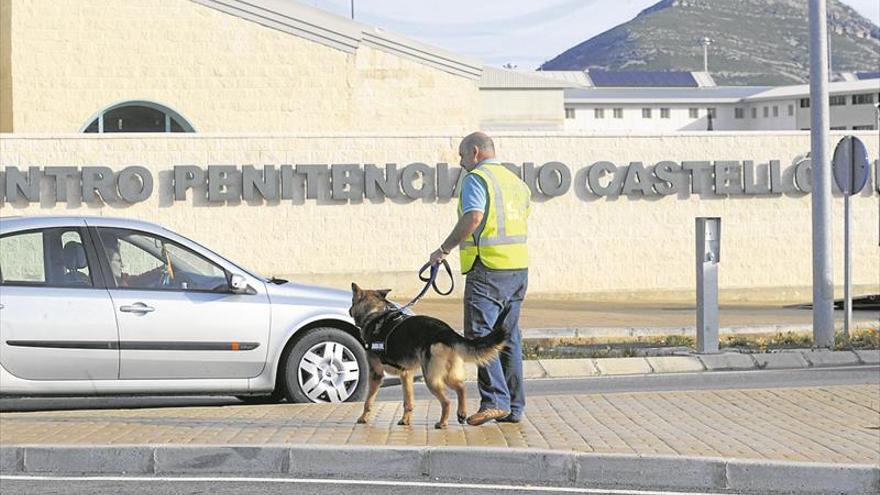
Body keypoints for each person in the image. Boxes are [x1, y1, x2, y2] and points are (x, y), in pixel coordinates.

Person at [429, 131, 531, 426]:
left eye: (462, 156)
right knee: (507, 338)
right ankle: (513, 407)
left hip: (487, 269)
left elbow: (473, 217)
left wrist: (443, 250)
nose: (461, 163)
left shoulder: (477, 179)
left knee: (480, 337)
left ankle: (495, 401)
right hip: (517, 269)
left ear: (475, 152)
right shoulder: (516, 181)